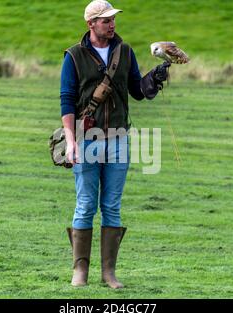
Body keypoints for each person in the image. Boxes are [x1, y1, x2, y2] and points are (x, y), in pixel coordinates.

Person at [60, 0, 169, 289]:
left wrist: (154, 79)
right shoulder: (73, 56)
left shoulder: (125, 52)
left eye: (113, 18)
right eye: (106, 19)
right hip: (86, 141)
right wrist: (70, 142)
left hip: (118, 140)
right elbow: (66, 102)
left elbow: (138, 91)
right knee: (85, 206)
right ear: (91, 24)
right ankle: (79, 271)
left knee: (112, 207)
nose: (112, 23)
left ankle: (109, 273)